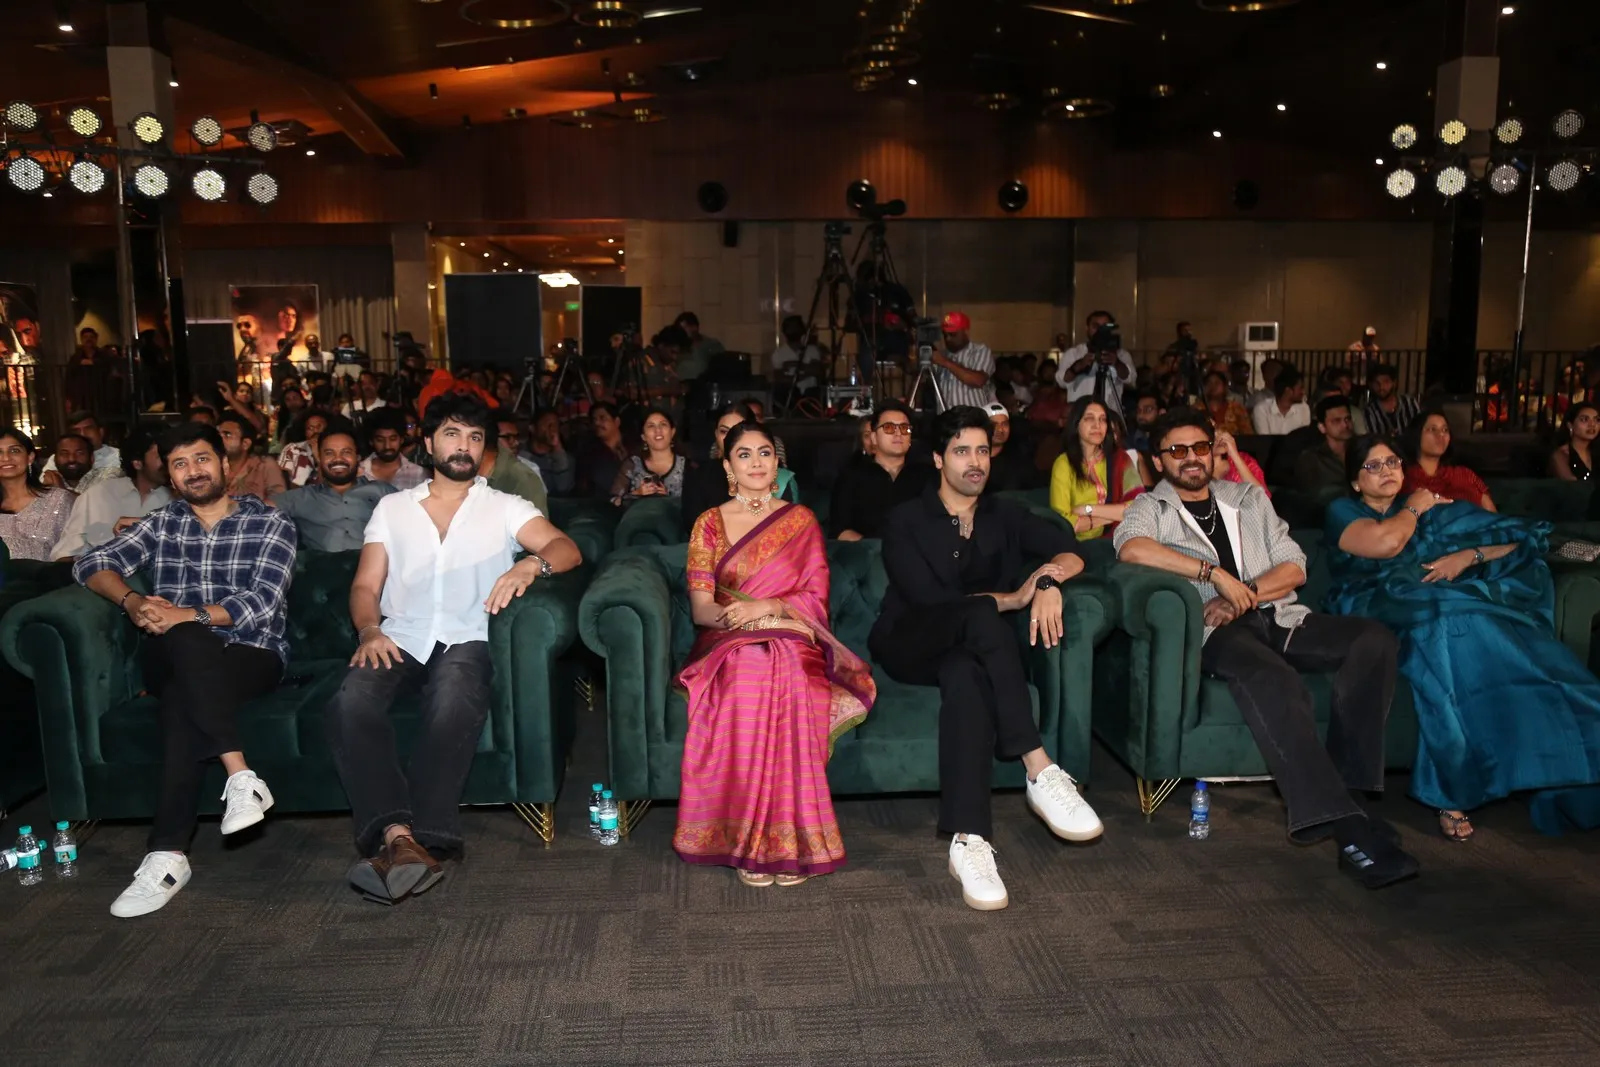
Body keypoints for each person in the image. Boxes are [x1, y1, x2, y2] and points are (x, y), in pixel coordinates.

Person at [1114, 409, 1417, 889]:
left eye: (1200, 447)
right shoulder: (1151, 507)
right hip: (1216, 632)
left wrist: (1244, 593)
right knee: (1275, 678)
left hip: (1279, 615)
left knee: (1373, 639)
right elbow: (1131, 548)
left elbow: (1294, 565)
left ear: (1212, 451)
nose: (1191, 458)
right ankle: (1350, 830)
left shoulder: (1249, 499)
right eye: (1177, 450)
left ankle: (1350, 791)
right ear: (1159, 460)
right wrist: (1213, 575)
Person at [325, 393, 580, 904]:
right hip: (400, 635)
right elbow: (365, 586)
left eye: (474, 437)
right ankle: (399, 837)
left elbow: (566, 549)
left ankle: (413, 843)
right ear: (428, 442)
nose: (463, 446)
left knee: (453, 698)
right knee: (348, 702)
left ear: (484, 449)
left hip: (470, 634)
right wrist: (369, 630)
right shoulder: (393, 509)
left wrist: (530, 564)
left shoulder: (505, 506)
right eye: (452, 434)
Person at [872, 406, 1103, 912]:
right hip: (910, 641)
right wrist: (1014, 599)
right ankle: (1038, 765)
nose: (974, 462)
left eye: (982, 450)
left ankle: (969, 840)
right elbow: (931, 601)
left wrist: (1047, 580)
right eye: (961, 451)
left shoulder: (1005, 515)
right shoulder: (906, 519)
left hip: (966, 652)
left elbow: (1071, 550)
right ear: (938, 459)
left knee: (966, 676)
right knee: (982, 616)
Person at [73, 422, 297, 917]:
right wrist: (133, 602)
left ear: (224, 464)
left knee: (181, 693)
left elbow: (262, 602)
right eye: (179, 464)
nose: (192, 471)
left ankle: (167, 855)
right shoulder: (161, 523)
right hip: (170, 651)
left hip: (251, 653)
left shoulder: (270, 522)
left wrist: (184, 615)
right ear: (171, 477)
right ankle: (240, 776)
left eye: (201, 459)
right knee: (187, 643)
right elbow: (91, 564)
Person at [1326, 435, 1600, 839]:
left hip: (1441, 601)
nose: (1387, 471)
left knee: (1489, 631)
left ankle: (1566, 757)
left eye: (1393, 462)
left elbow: (1514, 538)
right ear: (1355, 480)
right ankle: (1450, 789)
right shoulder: (1343, 511)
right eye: (1374, 465)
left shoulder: (1435, 513)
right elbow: (1387, 543)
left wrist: (1467, 557)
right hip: (1377, 606)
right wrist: (1415, 507)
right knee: (1443, 620)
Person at [677, 421, 875, 886]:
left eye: (764, 453)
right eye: (744, 454)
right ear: (728, 467)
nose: (756, 463)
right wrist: (744, 620)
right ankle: (750, 840)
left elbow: (816, 598)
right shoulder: (709, 523)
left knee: (786, 667)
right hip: (727, 636)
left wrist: (770, 609)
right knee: (751, 665)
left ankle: (790, 840)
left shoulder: (800, 521)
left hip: (792, 632)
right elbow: (702, 608)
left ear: (777, 462)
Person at [275, 417, 397, 552]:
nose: (338, 458)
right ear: (320, 459)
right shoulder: (301, 497)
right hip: (322, 564)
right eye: (329, 453)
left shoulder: (382, 491)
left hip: (374, 563)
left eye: (346, 452)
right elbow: (259, 509)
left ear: (358, 457)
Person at [681, 403, 799, 539]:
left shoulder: (777, 478)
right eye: (724, 432)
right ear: (716, 434)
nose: (730, 439)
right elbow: (695, 530)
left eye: (737, 431)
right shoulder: (698, 477)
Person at [50, 427, 171, 561]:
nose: (169, 462)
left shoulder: (181, 501)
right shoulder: (97, 495)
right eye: (161, 456)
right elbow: (64, 554)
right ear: (137, 463)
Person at [829, 400, 936, 541]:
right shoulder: (851, 476)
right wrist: (874, 548)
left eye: (904, 428)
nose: (898, 433)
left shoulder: (928, 475)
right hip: (869, 552)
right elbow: (839, 531)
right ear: (874, 437)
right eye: (889, 428)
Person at [1049, 398, 1143, 540]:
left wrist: (1088, 509)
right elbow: (1063, 522)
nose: (1097, 425)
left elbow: (1139, 508)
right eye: (1089, 418)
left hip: (1119, 538)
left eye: (1102, 419)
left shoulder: (1120, 459)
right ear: (1076, 424)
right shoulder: (1064, 464)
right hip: (1077, 543)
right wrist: (1113, 515)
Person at [0, 428, 76, 561]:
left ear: (30, 457)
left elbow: (73, 552)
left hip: (52, 573)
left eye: (14, 451)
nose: (6, 458)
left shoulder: (59, 500)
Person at [1401, 412, 1496, 511]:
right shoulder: (1403, 479)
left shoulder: (1465, 475)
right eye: (1432, 429)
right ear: (1416, 434)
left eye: (1445, 430)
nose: (1441, 434)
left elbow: (1493, 515)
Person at [1058, 311, 1137, 421]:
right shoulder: (1073, 353)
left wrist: (1116, 363)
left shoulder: (1121, 354)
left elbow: (1130, 378)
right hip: (1080, 416)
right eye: (1096, 327)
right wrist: (1079, 366)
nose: (1100, 331)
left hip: (1111, 415)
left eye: (1105, 327)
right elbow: (1061, 381)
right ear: (1087, 328)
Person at [610, 408, 685, 505]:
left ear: (672, 432)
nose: (658, 430)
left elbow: (698, 505)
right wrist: (636, 494)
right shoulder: (632, 465)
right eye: (651, 426)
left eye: (663, 424)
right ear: (643, 436)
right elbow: (612, 502)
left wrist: (669, 499)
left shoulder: (686, 466)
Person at [927, 311, 997, 411]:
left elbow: (978, 381)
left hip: (973, 417)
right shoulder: (941, 355)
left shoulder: (980, 351)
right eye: (945, 335)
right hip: (946, 417)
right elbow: (916, 374)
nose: (948, 339)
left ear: (966, 332)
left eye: (953, 334)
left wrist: (945, 362)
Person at [485, 409, 549, 512]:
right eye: (508, 438)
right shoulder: (472, 468)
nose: (516, 443)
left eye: (516, 437)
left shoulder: (529, 470)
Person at [217, 412, 288, 503]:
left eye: (227, 435)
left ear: (245, 444)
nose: (219, 440)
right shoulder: (212, 467)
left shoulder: (264, 466)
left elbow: (279, 500)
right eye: (218, 435)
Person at [1293, 395, 1357, 492]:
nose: (1345, 425)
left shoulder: (1365, 450)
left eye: (1347, 419)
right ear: (1322, 427)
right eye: (1336, 421)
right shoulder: (1311, 460)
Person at [359, 407, 428, 491]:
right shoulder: (359, 472)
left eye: (393, 439)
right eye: (380, 440)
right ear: (371, 441)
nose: (387, 446)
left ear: (401, 439)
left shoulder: (418, 474)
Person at [41, 410, 120, 482]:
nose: (82, 434)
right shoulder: (59, 459)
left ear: (101, 432)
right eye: (76, 430)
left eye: (88, 429)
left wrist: (61, 488)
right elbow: (45, 485)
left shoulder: (119, 457)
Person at [579, 401, 630, 499]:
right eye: (594, 420)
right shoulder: (590, 453)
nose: (597, 423)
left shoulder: (632, 444)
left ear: (616, 422)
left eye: (602, 418)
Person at [984, 401, 1036, 493]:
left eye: (1004, 424)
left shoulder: (1019, 457)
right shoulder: (973, 459)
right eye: (994, 425)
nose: (1000, 429)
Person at [770, 314, 824, 400]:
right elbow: (779, 377)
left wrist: (794, 365)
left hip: (811, 395)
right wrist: (806, 372)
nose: (793, 330)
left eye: (795, 327)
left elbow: (817, 370)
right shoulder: (778, 354)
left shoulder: (812, 350)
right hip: (788, 396)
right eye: (790, 328)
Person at [1363, 364, 1421, 438]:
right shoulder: (1369, 412)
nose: (1381, 387)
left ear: (1394, 383)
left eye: (1386, 382)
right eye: (1377, 383)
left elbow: (1421, 427)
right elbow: (1371, 439)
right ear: (1371, 385)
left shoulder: (1410, 403)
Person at [1251, 365, 1311, 435]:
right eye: (1301, 388)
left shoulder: (1304, 408)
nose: (1303, 392)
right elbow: (1264, 439)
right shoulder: (1262, 409)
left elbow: (1304, 438)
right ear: (1288, 390)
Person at [527, 410, 575, 495]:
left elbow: (563, 487)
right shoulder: (522, 457)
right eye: (547, 424)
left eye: (555, 425)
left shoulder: (566, 459)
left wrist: (557, 448)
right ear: (532, 428)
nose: (552, 429)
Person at [278, 410, 329, 489]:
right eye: (310, 428)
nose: (315, 431)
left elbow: (329, 486)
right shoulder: (292, 450)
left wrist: (318, 458)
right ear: (305, 432)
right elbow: (284, 485)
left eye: (319, 427)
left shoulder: (336, 451)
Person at [1196, 370, 1254, 438]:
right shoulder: (1196, 408)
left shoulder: (1236, 408)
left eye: (1217, 383)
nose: (1212, 386)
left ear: (1225, 387)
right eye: (1209, 383)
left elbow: (1248, 435)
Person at [1551, 402, 1599, 481]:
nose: (1592, 424)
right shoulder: (1561, 455)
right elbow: (1571, 484)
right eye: (1584, 419)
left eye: (1597, 420)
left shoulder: (1595, 451)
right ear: (1570, 425)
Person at [673, 311, 724, 382]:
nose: (680, 333)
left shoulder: (711, 344)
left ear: (694, 327)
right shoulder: (676, 346)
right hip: (680, 385)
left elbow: (722, 366)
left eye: (683, 328)